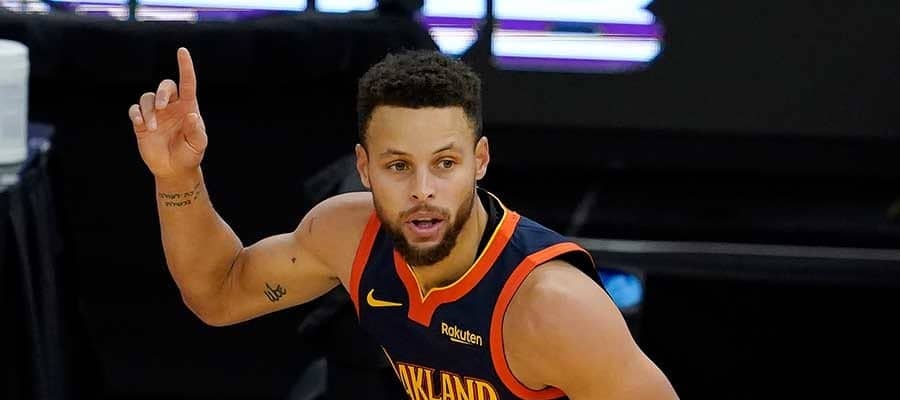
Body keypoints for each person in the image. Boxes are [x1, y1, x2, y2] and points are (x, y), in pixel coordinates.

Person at [127, 47, 678, 400]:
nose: (422, 190)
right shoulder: (347, 235)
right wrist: (177, 177)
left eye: (445, 163)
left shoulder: (552, 307)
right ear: (364, 168)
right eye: (398, 166)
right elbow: (218, 293)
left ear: (480, 161)